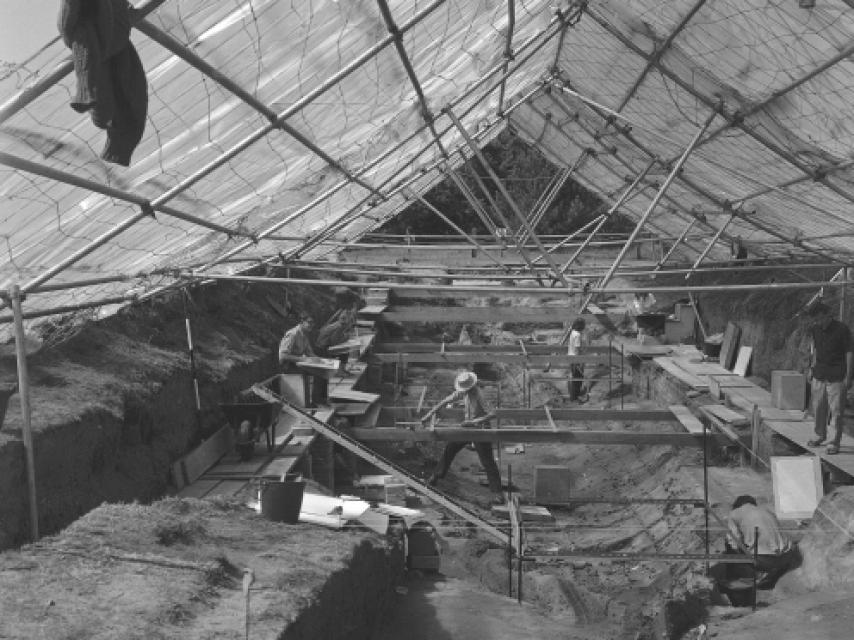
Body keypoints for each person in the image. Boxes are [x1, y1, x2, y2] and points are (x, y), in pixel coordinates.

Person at [419, 370, 502, 493]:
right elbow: (445, 401)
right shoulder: (463, 392)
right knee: (451, 448)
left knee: (487, 461)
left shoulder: (479, 395)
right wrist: (429, 414)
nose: (463, 391)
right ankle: (435, 477)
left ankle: (498, 493)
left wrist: (474, 422)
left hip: (481, 429)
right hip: (468, 428)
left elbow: (493, 414)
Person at [805, 303, 853, 455]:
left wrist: (849, 376)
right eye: (816, 320)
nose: (818, 322)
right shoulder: (815, 329)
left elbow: (849, 352)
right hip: (819, 374)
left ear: (828, 314)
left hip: (837, 375)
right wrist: (811, 368)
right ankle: (820, 435)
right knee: (818, 408)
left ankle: (834, 442)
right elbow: (815, 349)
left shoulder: (842, 329)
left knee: (836, 412)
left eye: (820, 318)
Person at [724, 495, 799, 590]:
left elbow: (734, 540)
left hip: (764, 560)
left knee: (730, 542)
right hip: (786, 556)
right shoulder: (767, 510)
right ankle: (768, 574)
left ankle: (737, 577)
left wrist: (739, 552)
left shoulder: (734, 514)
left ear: (737, 505)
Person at [278, 315, 320, 406]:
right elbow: (283, 355)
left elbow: (309, 353)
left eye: (313, 323)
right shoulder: (292, 334)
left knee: (320, 371)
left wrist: (321, 361)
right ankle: (305, 402)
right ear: (302, 322)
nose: (311, 325)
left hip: (298, 364)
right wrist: (303, 359)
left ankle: (314, 401)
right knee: (312, 373)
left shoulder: (304, 335)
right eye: (309, 322)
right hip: (287, 366)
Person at [567, 317, 587, 402]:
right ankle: (575, 396)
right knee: (578, 377)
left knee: (575, 376)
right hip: (576, 358)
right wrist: (580, 360)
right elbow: (577, 348)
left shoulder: (573, 332)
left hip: (571, 356)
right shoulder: (578, 335)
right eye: (583, 325)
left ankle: (573, 395)